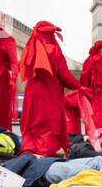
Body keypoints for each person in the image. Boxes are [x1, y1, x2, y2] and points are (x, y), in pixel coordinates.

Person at [18, 21, 82, 155]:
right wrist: (79, 86)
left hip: (33, 92)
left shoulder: (31, 48)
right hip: (49, 94)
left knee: (33, 122)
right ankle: (45, 152)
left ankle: (30, 149)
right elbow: (64, 74)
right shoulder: (53, 48)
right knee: (48, 125)